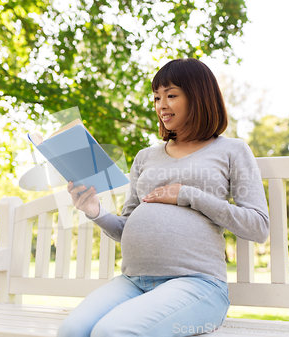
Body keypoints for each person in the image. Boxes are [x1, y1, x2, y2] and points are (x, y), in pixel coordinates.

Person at [57, 58, 270, 337]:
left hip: (199, 285)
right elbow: (126, 228)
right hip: (134, 282)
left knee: (111, 332)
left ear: (199, 97)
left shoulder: (232, 150)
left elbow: (258, 226)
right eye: (157, 97)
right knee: (72, 331)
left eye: (171, 95)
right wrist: (95, 211)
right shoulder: (145, 157)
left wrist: (187, 194)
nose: (161, 105)